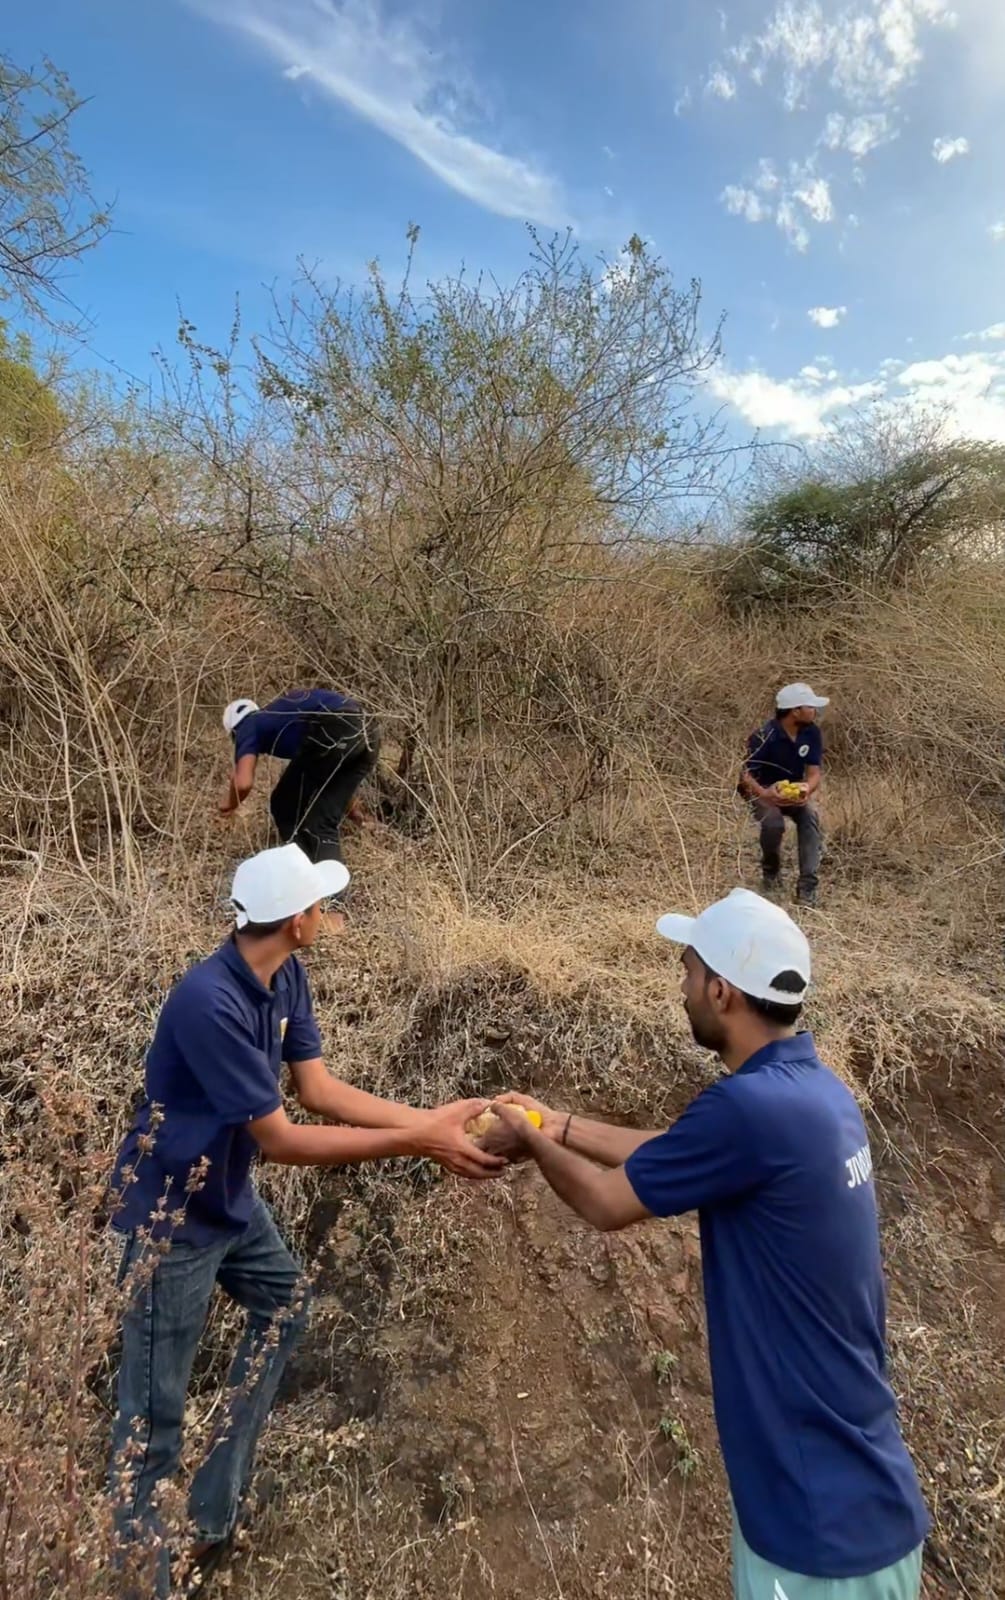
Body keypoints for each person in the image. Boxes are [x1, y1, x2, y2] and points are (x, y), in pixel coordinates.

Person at [490, 889, 930, 1600]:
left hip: (815, 1532)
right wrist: (557, 1123)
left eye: (689, 971)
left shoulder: (748, 1108)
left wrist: (528, 1140)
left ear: (721, 992)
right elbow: (679, 1151)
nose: (682, 987)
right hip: (860, 1492)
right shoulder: (815, 1094)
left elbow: (605, 1203)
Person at [109, 843, 502, 1595]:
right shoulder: (209, 1002)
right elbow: (282, 1140)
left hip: (226, 1198)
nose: (328, 914)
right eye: (322, 904)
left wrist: (431, 1119)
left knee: (285, 1308)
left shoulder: (285, 973)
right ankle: (139, 1580)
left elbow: (318, 1091)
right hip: (172, 1220)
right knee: (149, 1428)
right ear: (297, 919)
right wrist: (420, 1141)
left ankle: (212, 1515)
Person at [221, 688, 379, 867]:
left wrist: (228, 805)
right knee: (320, 818)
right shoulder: (280, 716)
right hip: (369, 729)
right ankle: (326, 875)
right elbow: (331, 779)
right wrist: (354, 812)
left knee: (284, 806)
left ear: (234, 731)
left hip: (334, 727)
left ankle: (304, 870)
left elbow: (243, 783)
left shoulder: (247, 726)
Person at [740, 681, 829, 908]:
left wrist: (806, 788)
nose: (815, 711)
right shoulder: (764, 735)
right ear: (795, 711)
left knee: (809, 816)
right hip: (761, 789)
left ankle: (807, 887)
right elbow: (746, 775)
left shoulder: (811, 733)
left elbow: (814, 773)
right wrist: (765, 794)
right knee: (773, 822)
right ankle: (771, 874)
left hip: (791, 790)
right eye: (810, 707)